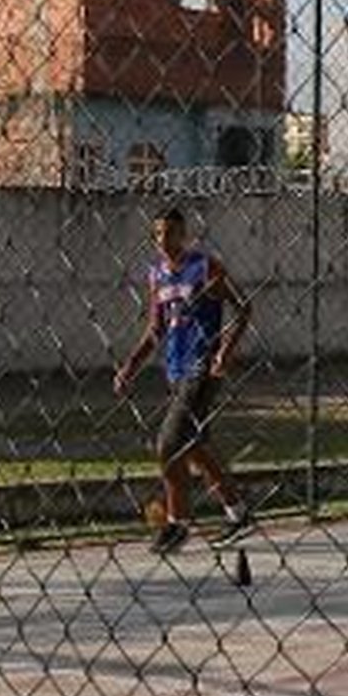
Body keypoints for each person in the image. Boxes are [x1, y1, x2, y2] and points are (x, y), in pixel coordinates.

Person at [113, 205, 256, 554]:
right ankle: (239, 513)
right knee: (192, 446)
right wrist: (130, 366)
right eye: (159, 233)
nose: (165, 240)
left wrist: (225, 350)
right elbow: (156, 328)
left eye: (172, 232)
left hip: (202, 367)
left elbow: (243, 307)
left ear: (184, 234)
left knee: (168, 443)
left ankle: (177, 524)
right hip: (175, 369)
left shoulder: (204, 267)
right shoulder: (157, 274)